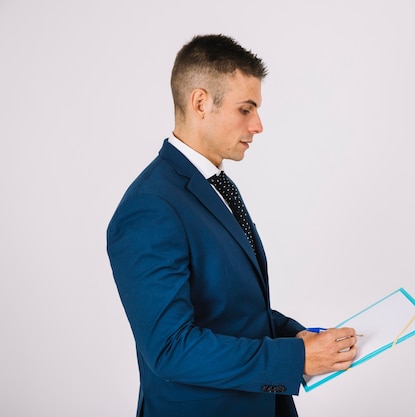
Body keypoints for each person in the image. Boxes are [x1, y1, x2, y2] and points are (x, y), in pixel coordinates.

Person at [106, 34, 358, 417]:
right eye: (246, 109)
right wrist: (294, 359)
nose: (258, 125)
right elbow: (171, 348)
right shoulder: (150, 207)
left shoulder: (215, 186)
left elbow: (227, 308)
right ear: (201, 103)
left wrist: (296, 336)